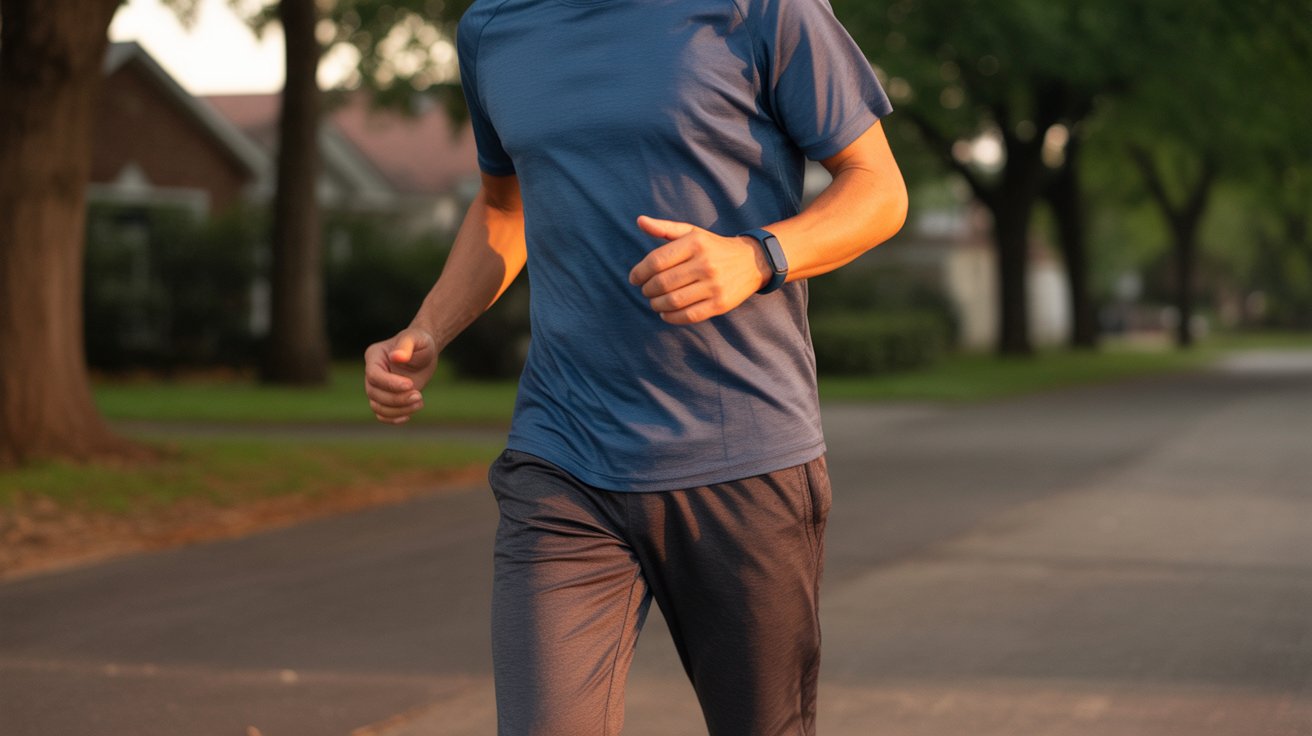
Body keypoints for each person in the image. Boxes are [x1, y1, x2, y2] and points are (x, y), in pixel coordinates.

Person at [364, 0, 907, 732]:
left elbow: (879, 187)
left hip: (741, 453)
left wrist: (756, 258)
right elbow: (504, 205)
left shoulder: (765, 9)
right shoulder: (494, 27)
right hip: (562, 457)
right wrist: (429, 327)